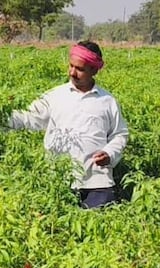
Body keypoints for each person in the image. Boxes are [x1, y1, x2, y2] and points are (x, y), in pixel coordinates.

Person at [8, 41, 129, 209]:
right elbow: (28, 118)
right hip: (59, 180)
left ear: (94, 70)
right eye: (71, 66)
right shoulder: (54, 96)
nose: (72, 72)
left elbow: (120, 134)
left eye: (79, 69)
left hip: (96, 183)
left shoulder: (107, 101)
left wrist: (109, 153)